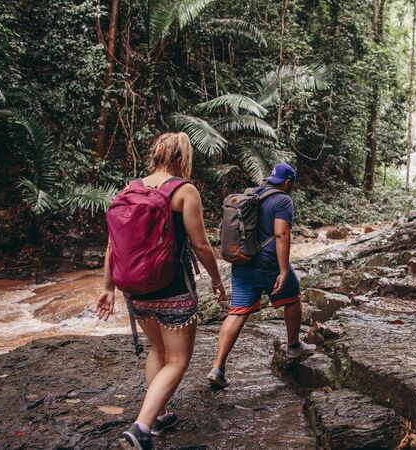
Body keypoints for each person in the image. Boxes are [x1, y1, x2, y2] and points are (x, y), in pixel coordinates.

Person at [95, 132, 226, 450]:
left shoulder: (131, 188)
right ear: (182, 158)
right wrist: (217, 279)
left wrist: (108, 287)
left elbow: (114, 243)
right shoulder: (184, 191)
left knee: (158, 350)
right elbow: (200, 244)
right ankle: (141, 428)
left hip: (135, 289)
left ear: (156, 154)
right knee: (178, 360)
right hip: (173, 288)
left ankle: (160, 414)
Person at [207, 162, 315, 388]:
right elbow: (281, 235)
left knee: (236, 313)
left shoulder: (251, 194)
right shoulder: (283, 199)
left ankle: (217, 368)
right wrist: (284, 270)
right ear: (288, 182)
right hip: (268, 262)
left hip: (242, 260)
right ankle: (294, 346)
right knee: (293, 298)